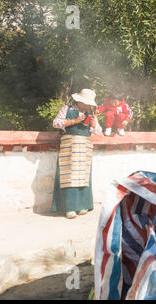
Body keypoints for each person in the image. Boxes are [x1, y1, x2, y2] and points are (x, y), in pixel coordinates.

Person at [51, 88, 102, 219]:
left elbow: (97, 131)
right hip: (69, 145)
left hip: (84, 146)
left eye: (89, 104)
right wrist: (74, 121)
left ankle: (83, 205)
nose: (87, 106)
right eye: (85, 103)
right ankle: (69, 208)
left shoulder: (91, 115)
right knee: (69, 175)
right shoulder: (67, 109)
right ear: (78, 100)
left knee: (82, 175)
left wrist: (94, 123)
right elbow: (56, 123)